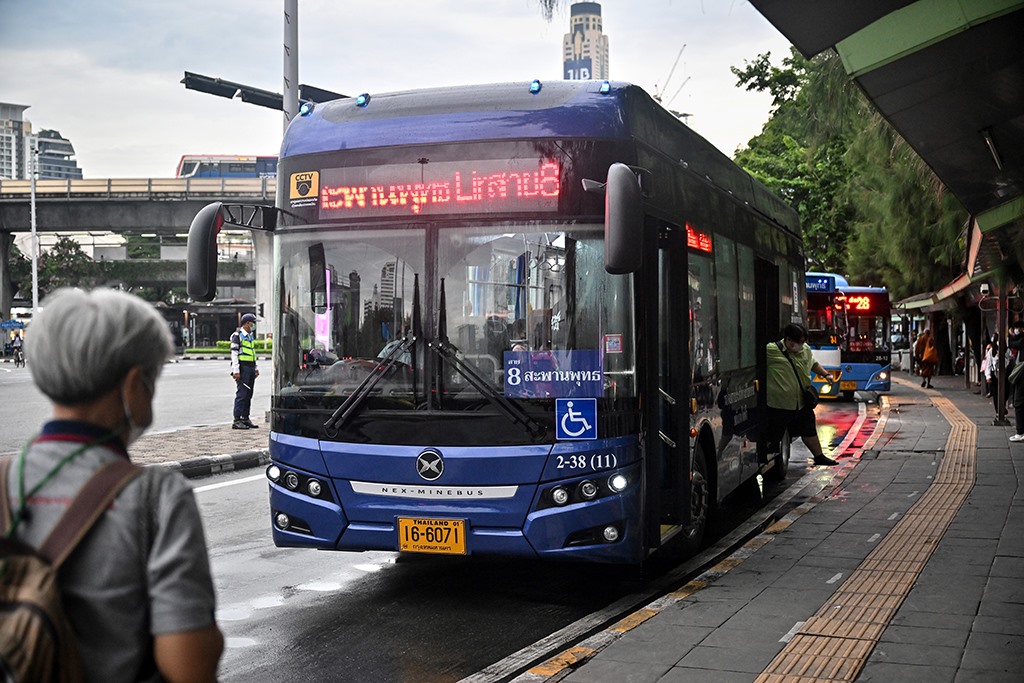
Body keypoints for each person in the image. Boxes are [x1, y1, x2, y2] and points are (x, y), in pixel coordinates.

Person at [10, 287, 223, 682]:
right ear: (132, 385)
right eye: (151, 379)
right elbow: (189, 667)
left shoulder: (3, 479)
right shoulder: (156, 498)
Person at [765, 323, 838, 466]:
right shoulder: (771, 350)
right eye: (798, 342)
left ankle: (819, 456)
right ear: (788, 340)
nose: (801, 345)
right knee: (775, 435)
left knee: (809, 430)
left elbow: (813, 364)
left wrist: (826, 374)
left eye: (803, 342)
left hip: (801, 401)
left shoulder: (805, 349)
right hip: (780, 404)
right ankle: (770, 457)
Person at [230, 312, 260, 429]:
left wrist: (256, 368)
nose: (254, 325)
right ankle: (236, 420)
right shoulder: (237, 335)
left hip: (251, 367)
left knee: (249, 394)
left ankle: (245, 418)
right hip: (243, 368)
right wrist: (236, 370)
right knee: (242, 395)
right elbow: (234, 354)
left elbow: (253, 352)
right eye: (253, 323)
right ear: (247, 323)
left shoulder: (250, 335)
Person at [1009, 322, 1024, 442]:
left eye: (1017, 328)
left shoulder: (1022, 340)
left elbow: (1012, 343)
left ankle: (1020, 432)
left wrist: (1012, 335)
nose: (1016, 330)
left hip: (1023, 376)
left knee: (1019, 403)